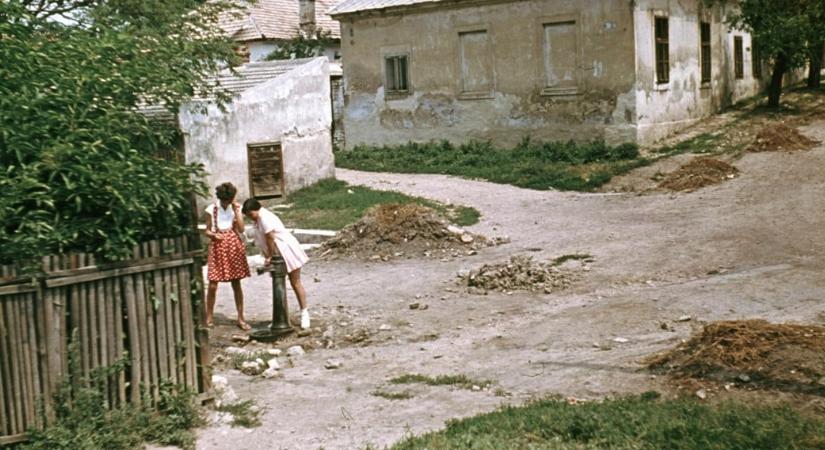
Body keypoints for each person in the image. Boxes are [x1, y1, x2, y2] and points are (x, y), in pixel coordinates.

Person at [242, 198, 311, 329]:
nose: (250, 218)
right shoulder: (258, 219)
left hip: (286, 249)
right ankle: (281, 318)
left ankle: (305, 313)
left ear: (257, 209)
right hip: (278, 252)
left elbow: (270, 238)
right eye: (248, 216)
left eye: (251, 214)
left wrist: (270, 257)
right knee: (279, 283)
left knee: (295, 282)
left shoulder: (264, 218)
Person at [204, 182, 251, 330]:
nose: (227, 203)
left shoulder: (234, 208)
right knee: (213, 284)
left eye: (229, 200)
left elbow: (242, 228)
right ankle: (209, 317)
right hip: (218, 247)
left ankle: (241, 317)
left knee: (236, 283)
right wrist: (213, 235)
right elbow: (206, 230)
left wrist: (237, 212)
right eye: (225, 200)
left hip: (233, 246)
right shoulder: (211, 210)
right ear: (220, 198)